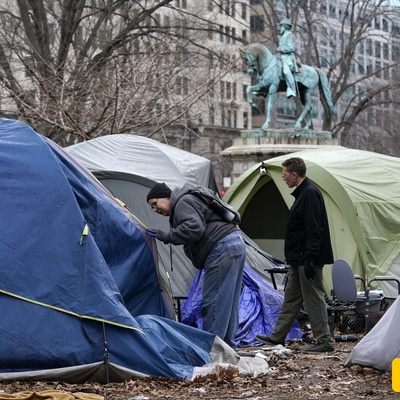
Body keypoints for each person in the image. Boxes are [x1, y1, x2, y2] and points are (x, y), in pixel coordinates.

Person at [145, 182, 246, 349]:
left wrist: (166, 236)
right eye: (152, 207)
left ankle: (211, 350)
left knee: (214, 301)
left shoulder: (182, 202)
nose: (155, 209)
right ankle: (227, 348)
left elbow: (194, 228)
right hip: (235, 242)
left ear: (167, 197)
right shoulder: (188, 199)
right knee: (229, 300)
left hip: (220, 246)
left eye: (155, 203)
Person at [256, 157, 335, 353]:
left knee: (313, 298)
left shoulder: (309, 194)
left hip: (306, 259)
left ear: (294, 174)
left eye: (284, 175)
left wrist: (310, 259)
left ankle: (325, 341)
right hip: (298, 258)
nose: (283, 178)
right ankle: (278, 336)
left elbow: (314, 230)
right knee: (291, 298)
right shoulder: (303, 193)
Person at [277, 18, 298, 98]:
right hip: (280, 56)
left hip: (287, 58)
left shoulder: (290, 35)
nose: (280, 28)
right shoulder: (283, 36)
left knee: (286, 71)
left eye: (281, 26)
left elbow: (291, 48)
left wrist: (281, 49)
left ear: (285, 27)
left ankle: (292, 89)